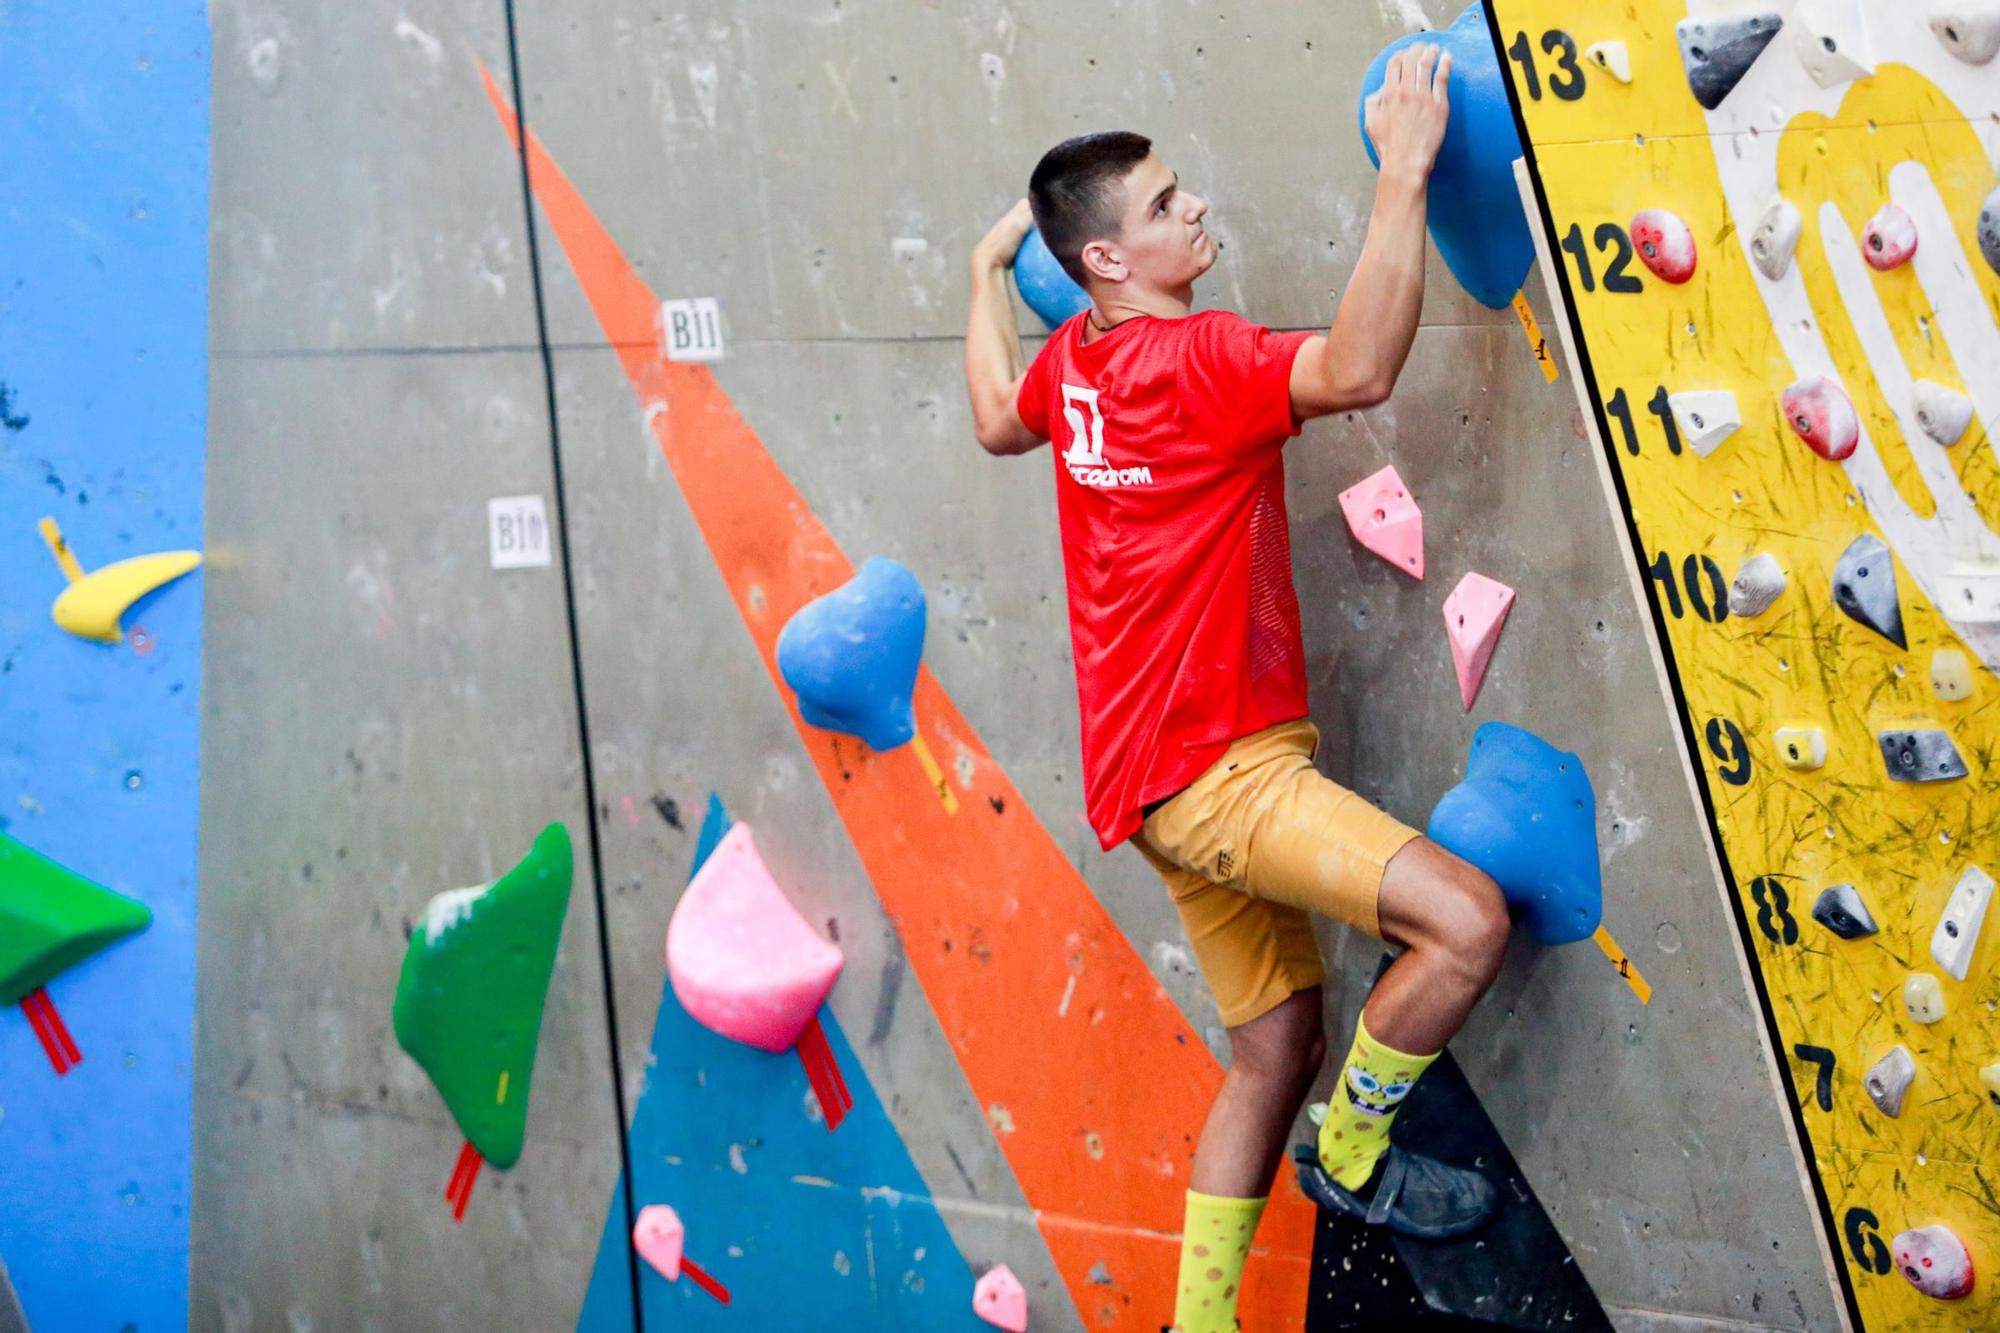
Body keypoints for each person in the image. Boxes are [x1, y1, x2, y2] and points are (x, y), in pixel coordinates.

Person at [960, 43, 1511, 1333]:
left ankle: (1196, 1328)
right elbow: (1362, 365)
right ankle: (1361, 1155)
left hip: (1151, 791)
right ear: (1107, 261)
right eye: (1162, 205)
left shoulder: (1076, 370)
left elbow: (995, 414)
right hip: (1227, 778)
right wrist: (1407, 168)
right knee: (1467, 925)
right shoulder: (1193, 360)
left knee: (1273, 1051)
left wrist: (986, 271)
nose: (1193, 207)